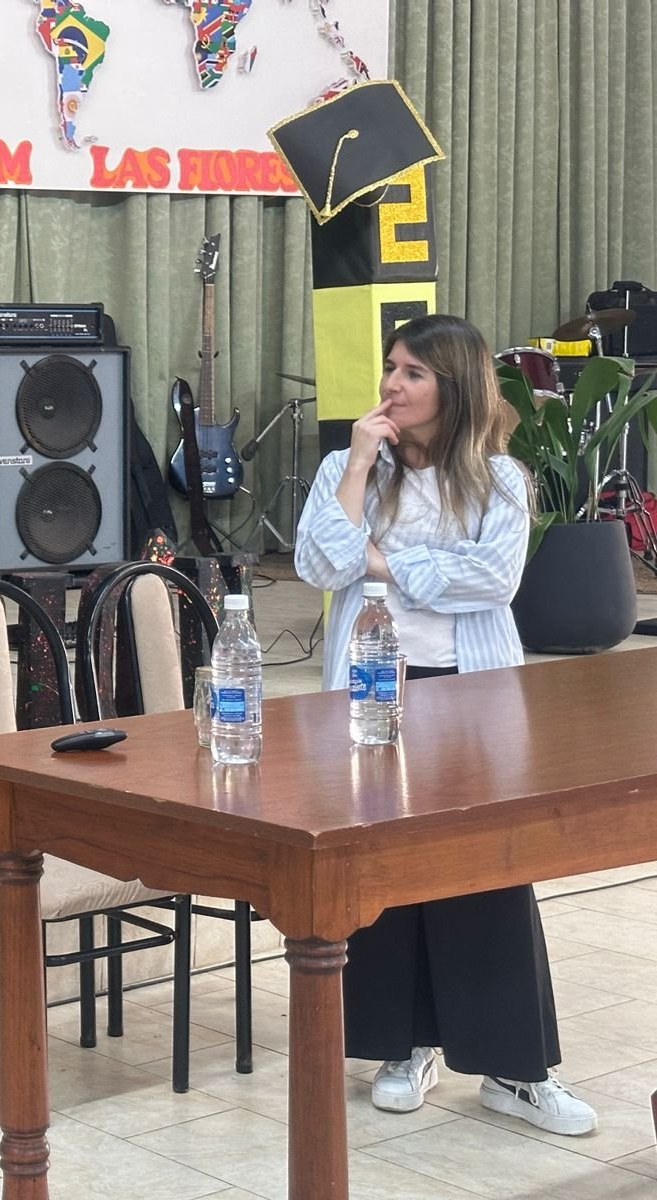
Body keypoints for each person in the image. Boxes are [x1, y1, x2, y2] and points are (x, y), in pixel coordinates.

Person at [293, 313, 597, 1136]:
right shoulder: (346, 468)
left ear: (453, 388)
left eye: (412, 373)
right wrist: (360, 464)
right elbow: (319, 563)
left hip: (469, 691)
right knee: (385, 870)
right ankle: (405, 1048)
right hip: (370, 690)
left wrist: (379, 561)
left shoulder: (501, 478)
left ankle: (516, 1070)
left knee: (487, 868)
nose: (391, 384)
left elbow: (492, 581)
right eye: (391, 367)